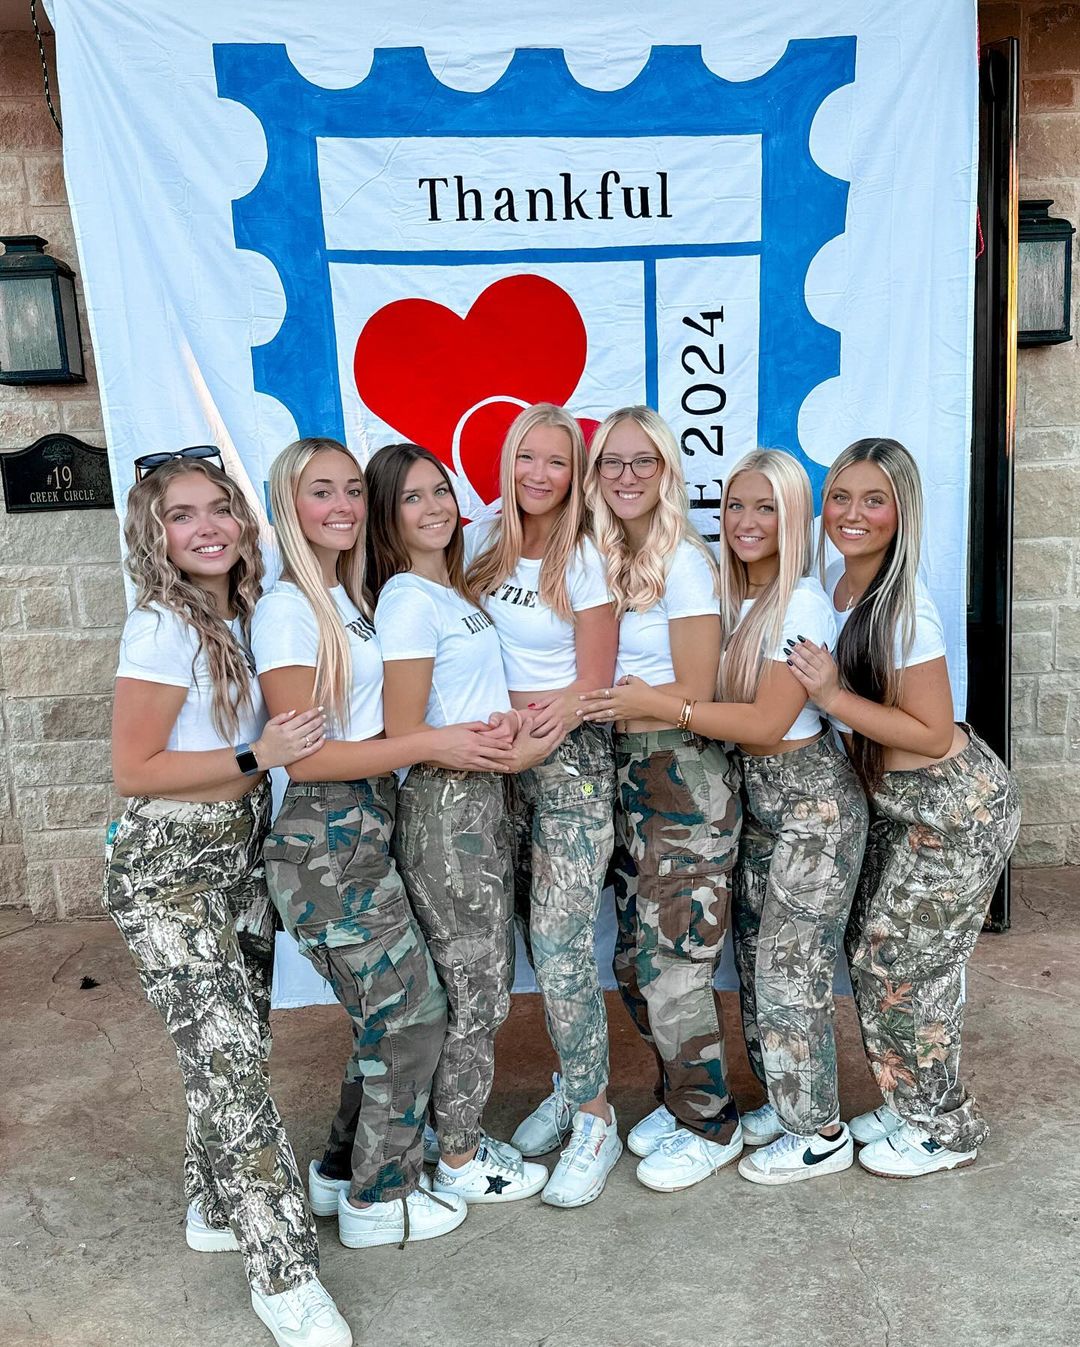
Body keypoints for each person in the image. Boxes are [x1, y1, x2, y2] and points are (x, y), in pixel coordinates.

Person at [104, 450, 351, 1347]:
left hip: (238, 850)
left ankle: (214, 1201)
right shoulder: (161, 626)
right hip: (167, 865)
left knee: (237, 1045)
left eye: (220, 508)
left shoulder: (243, 612)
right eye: (182, 514)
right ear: (155, 534)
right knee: (231, 1064)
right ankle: (284, 1274)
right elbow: (134, 768)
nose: (207, 527)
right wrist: (260, 755)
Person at [253, 438, 516, 1251]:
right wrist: (432, 742)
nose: (341, 505)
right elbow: (305, 757)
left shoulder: (347, 596)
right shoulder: (288, 609)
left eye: (350, 490)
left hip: (367, 826)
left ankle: (340, 1171)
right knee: (412, 1015)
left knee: (387, 1014)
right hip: (326, 838)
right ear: (287, 506)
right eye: (319, 491)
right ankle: (381, 1197)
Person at [581, 449, 867, 1186]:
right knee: (752, 964)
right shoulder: (742, 595)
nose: (745, 521)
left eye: (766, 507)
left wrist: (659, 704)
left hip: (810, 805)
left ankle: (820, 1131)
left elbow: (769, 722)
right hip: (760, 797)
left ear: (795, 517)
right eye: (735, 505)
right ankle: (783, 1101)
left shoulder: (800, 603)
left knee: (788, 973)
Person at [787, 437, 1021, 1178]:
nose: (852, 514)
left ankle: (944, 1127)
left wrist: (832, 696)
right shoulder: (836, 578)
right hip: (897, 805)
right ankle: (907, 1095)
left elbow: (930, 732)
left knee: (907, 966)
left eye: (874, 500)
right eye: (840, 496)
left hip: (954, 809)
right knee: (876, 953)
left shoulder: (904, 607)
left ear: (902, 512)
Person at [367, 442, 563, 1204]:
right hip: (450, 811)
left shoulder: (447, 590)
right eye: (412, 498)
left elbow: (466, 699)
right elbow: (404, 731)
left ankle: (453, 1132)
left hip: (483, 801)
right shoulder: (408, 600)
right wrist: (491, 751)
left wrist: (510, 724)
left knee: (480, 981)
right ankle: (457, 1156)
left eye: (440, 491)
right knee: (474, 989)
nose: (435, 508)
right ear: (387, 515)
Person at [575, 406, 741, 1193]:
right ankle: (681, 1095)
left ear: (668, 471)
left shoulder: (684, 560)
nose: (627, 476)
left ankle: (712, 1124)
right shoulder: (603, 556)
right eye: (612, 462)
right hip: (621, 775)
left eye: (643, 461)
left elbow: (697, 688)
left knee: (676, 964)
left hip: (681, 775)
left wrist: (625, 700)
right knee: (636, 962)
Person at [465, 404, 621, 1207]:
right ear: (508, 459)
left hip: (567, 764)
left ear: (576, 474)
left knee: (562, 944)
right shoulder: (480, 539)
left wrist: (529, 736)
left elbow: (593, 682)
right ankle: (573, 1079)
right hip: (500, 764)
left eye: (557, 461)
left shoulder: (585, 555)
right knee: (533, 936)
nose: (539, 473)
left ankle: (596, 1116)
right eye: (528, 456)